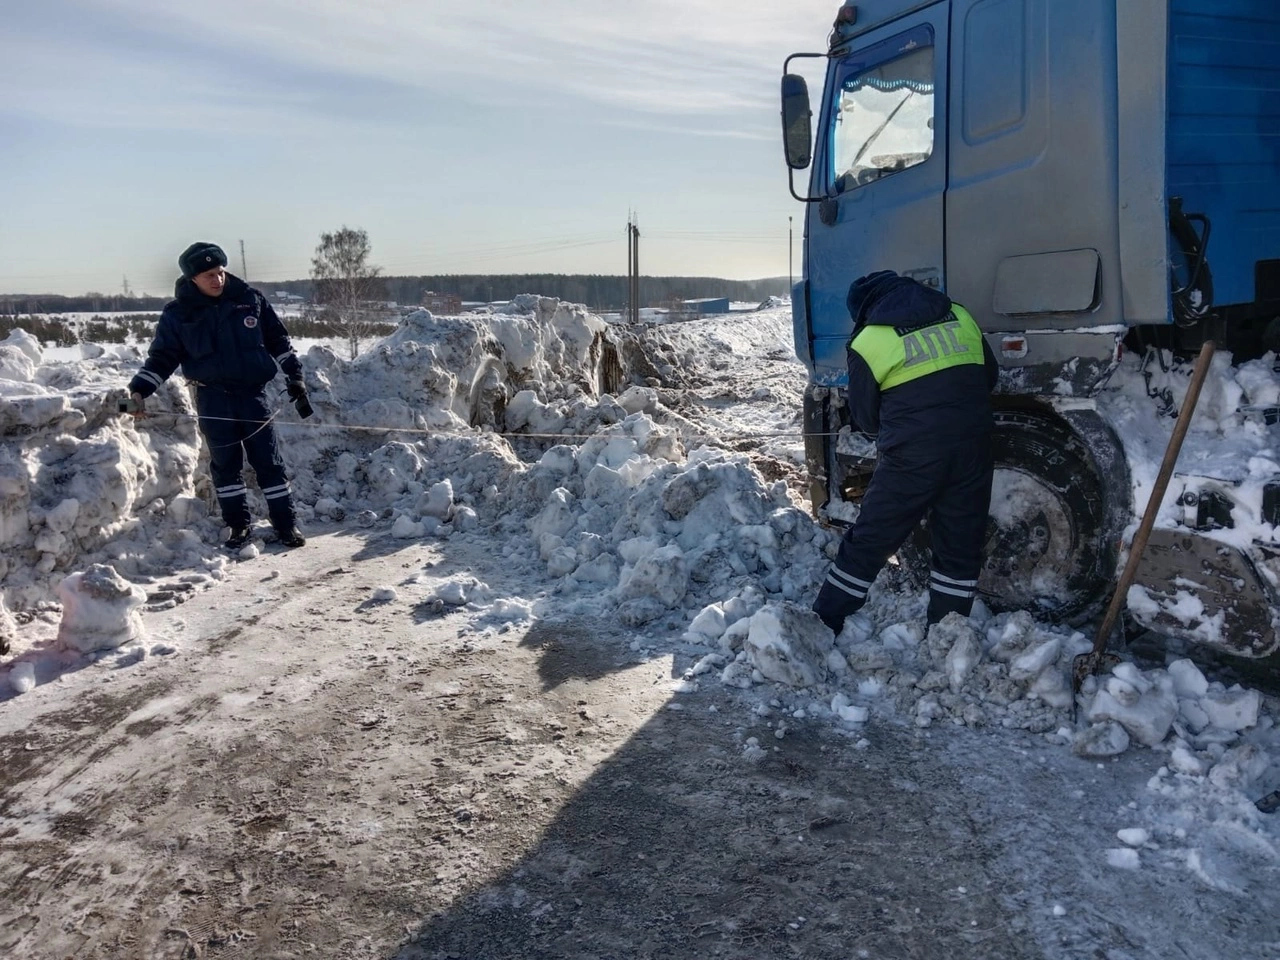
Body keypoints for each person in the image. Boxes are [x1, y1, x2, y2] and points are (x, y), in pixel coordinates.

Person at [812, 270, 999, 632]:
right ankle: (948, 632)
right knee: (960, 540)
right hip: (974, 444)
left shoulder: (868, 341)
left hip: (913, 457)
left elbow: (867, 418)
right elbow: (987, 377)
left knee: (873, 536)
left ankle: (826, 618)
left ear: (866, 309)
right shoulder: (960, 315)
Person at [127, 242, 309, 550]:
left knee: (269, 462)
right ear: (193, 279)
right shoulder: (178, 314)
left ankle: (286, 525)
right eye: (209, 275)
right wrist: (139, 391)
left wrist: (295, 376)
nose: (218, 280)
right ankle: (239, 526)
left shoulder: (250, 300)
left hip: (253, 396)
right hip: (213, 399)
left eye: (220, 272)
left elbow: (277, 340)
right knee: (226, 465)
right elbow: (162, 358)